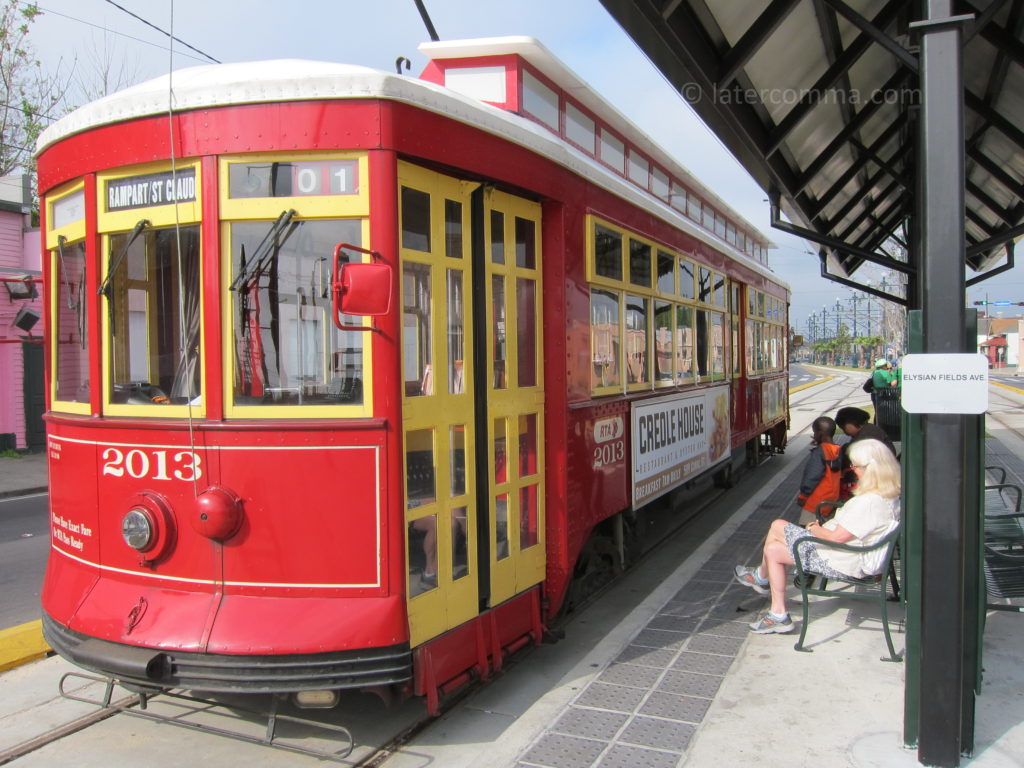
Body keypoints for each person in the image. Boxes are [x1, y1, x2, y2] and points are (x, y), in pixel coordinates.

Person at [733, 438, 901, 633]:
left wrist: (814, 529)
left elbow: (836, 538)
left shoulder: (870, 502)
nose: (853, 469)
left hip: (842, 558)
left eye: (856, 466)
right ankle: (777, 611)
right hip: (850, 554)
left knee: (777, 525)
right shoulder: (888, 494)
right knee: (773, 550)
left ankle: (762, 580)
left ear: (871, 469)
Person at [796, 416, 842, 516]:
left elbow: (812, 476)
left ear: (820, 433)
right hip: (830, 500)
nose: (814, 435)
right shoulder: (837, 450)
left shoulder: (819, 452)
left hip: (815, 503)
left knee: (807, 528)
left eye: (815, 432)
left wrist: (803, 496)